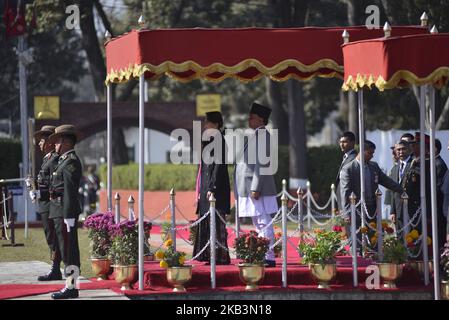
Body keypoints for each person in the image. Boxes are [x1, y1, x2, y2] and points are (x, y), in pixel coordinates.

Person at [234, 102, 278, 267]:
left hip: (257, 188)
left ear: (261, 120)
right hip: (251, 186)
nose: (248, 120)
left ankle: (269, 256)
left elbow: (262, 164)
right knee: (259, 222)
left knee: (263, 221)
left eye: (251, 117)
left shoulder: (263, 135)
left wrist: (255, 187)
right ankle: (264, 254)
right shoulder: (256, 135)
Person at [340, 140, 404, 250]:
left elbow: (386, 181)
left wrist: (402, 190)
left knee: (374, 238)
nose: (372, 156)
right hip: (356, 210)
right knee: (357, 240)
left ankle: (375, 260)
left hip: (372, 209)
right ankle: (358, 259)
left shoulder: (374, 166)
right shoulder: (348, 169)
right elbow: (345, 193)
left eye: (373, 153)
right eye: (370, 153)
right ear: (362, 151)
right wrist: (347, 213)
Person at [48, 125, 83, 299]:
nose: (55, 145)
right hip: (59, 211)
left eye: (57, 142)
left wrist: (69, 215)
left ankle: (71, 287)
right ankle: (70, 286)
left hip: (65, 212)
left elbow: (69, 190)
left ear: (66, 142)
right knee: (65, 249)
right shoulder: (63, 161)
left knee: (70, 251)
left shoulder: (71, 161)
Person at [192, 111, 231, 265]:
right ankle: (207, 254)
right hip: (206, 189)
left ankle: (219, 256)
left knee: (215, 222)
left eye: (207, 122)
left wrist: (212, 188)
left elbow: (219, 167)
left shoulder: (219, 141)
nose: (205, 126)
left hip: (215, 190)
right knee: (207, 221)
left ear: (215, 124)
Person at [27, 125, 62, 281]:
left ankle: (56, 268)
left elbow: (54, 184)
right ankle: (55, 267)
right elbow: (44, 181)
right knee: (50, 237)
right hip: (44, 205)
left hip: (50, 204)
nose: (38, 144)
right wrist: (33, 184)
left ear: (49, 142)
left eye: (41, 140)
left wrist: (39, 192)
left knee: (53, 237)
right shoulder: (47, 159)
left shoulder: (54, 159)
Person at [389, 140, 414, 228]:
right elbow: (393, 191)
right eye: (398, 150)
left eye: (403, 149)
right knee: (400, 239)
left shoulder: (414, 164)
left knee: (412, 239)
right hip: (399, 211)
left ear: (409, 150)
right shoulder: (395, 168)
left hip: (412, 210)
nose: (401, 152)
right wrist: (393, 211)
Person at [335, 131, 357, 213]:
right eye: (340, 142)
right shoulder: (346, 157)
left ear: (352, 143)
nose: (341, 144)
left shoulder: (354, 158)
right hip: (343, 199)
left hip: (350, 200)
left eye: (344, 142)